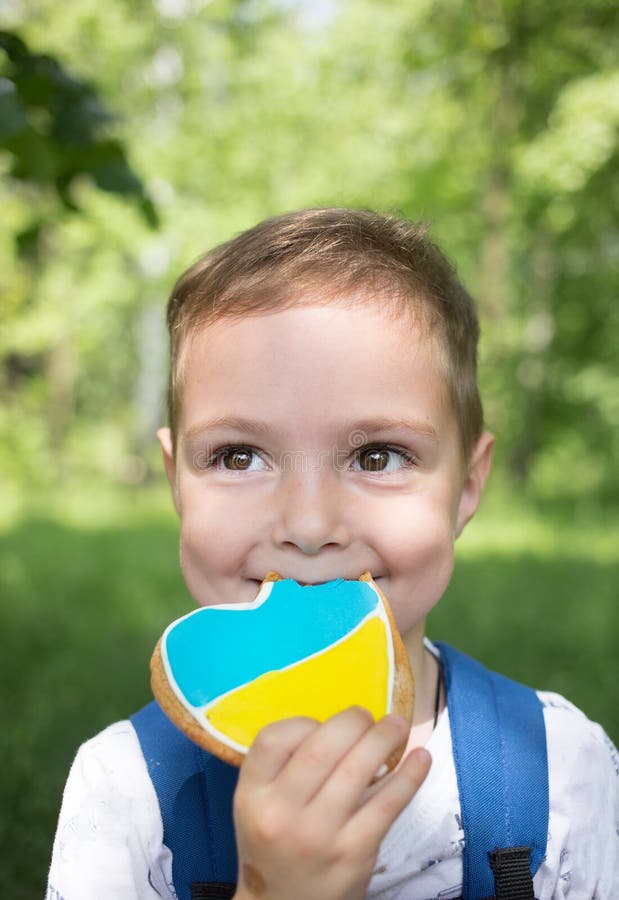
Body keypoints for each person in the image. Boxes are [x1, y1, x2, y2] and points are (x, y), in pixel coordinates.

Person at [47, 208, 618, 900]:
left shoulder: (560, 770)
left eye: (376, 455)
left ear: (465, 486)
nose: (309, 524)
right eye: (238, 456)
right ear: (176, 481)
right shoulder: (128, 792)